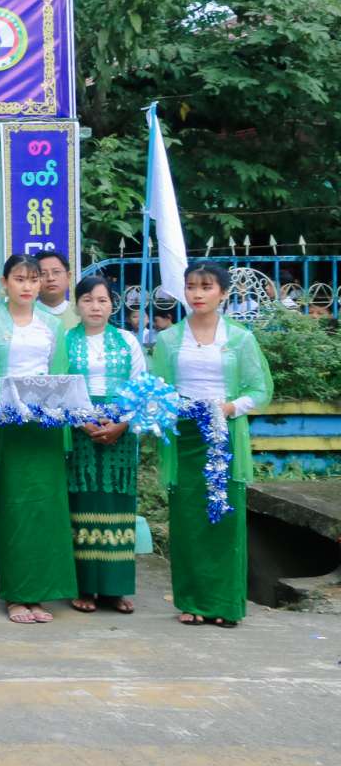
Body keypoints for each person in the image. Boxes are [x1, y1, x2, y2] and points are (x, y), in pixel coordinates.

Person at [150, 261, 273, 628]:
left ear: (223, 293)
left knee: (224, 518)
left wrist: (229, 408)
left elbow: (260, 389)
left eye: (206, 287)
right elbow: (158, 389)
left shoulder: (239, 338)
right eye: (191, 286)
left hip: (224, 434)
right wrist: (170, 408)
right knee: (187, 518)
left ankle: (225, 604)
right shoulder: (169, 339)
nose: (197, 294)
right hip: (185, 434)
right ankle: (191, 602)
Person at [0, 254, 76, 624]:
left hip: (44, 428)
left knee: (46, 510)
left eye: (34, 279)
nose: (28, 286)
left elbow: (61, 374)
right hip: (7, 426)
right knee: (13, 509)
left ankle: (41, 593)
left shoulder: (53, 325)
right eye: (19, 279)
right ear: (5, 283)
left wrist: (55, 416)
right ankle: (17, 594)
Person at [63, 274, 148, 615]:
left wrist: (122, 424)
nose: (95, 307)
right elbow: (59, 386)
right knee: (82, 504)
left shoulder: (127, 341)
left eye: (102, 300)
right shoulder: (64, 341)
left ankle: (116, 589)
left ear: (113, 305)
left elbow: (141, 388)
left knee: (117, 506)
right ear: (77, 305)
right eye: (87, 300)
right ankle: (84, 587)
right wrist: (81, 421)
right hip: (79, 430)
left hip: (121, 432)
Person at [34, 250, 80, 330]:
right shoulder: (24, 314)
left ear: (68, 276)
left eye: (56, 272)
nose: (50, 278)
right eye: (43, 273)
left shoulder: (82, 314)